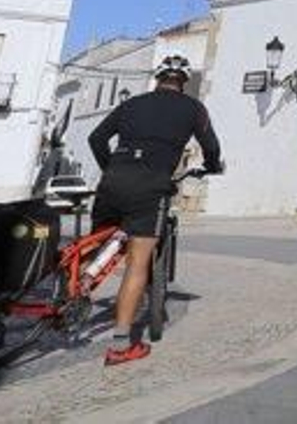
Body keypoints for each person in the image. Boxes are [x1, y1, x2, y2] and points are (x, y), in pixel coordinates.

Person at [88, 54, 222, 366]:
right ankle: (121, 346)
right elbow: (212, 148)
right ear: (183, 81)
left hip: (112, 182)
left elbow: (96, 138)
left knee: (93, 247)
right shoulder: (194, 109)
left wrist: (111, 170)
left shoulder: (131, 103)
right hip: (149, 188)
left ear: (158, 78)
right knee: (137, 263)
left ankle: (70, 289)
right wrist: (212, 166)